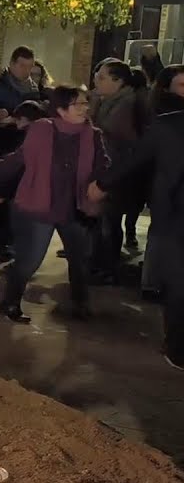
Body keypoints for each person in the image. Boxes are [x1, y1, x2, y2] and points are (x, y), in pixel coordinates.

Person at [0, 85, 108, 323]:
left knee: (79, 259)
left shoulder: (93, 135)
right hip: (41, 205)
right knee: (30, 260)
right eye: (78, 104)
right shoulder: (42, 130)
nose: (85, 108)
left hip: (76, 207)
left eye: (85, 103)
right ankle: (10, 303)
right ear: (61, 109)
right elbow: (17, 160)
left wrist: (101, 184)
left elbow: (104, 167)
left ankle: (81, 303)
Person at [90, 66, 184, 366]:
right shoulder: (163, 122)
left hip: (172, 215)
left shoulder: (167, 124)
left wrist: (102, 185)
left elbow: (134, 159)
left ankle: (177, 349)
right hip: (170, 213)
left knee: (178, 284)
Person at [0, 46, 42, 261]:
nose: (26, 71)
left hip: (24, 149)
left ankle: (5, 240)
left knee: (15, 198)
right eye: (22, 65)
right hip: (0, 147)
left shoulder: (34, 89)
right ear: (12, 64)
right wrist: (11, 120)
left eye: (29, 66)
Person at [90, 59, 146, 283]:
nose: (97, 81)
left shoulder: (126, 104)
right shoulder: (110, 100)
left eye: (102, 77)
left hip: (117, 174)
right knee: (104, 222)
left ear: (119, 81)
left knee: (109, 223)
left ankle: (109, 269)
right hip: (109, 171)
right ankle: (101, 264)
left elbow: (122, 142)